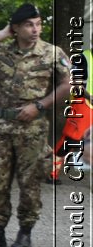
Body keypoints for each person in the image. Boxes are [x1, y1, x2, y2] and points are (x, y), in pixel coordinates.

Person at [0, 3, 71, 247]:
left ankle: (25, 232)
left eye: (39, 24)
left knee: (29, 183)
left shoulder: (52, 53)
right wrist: (2, 33)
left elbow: (68, 83)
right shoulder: (2, 50)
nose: (35, 29)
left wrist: (40, 105)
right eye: (29, 25)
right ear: (17, 28)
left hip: (31, 128)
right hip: (1, 127)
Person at [50, 44, 90, 182]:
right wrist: (89, 96)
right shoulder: (84, 58)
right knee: (71, 140)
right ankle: (52, 173)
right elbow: (74, 80)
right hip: (84, 103)